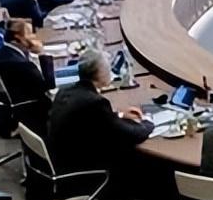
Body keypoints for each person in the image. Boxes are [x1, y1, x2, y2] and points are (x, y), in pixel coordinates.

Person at [47, 50, 153, 183]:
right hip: (81, 170)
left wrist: (120, 115)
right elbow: (130, 134)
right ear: (99, 73)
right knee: (139, 159)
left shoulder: (66, 90)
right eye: (108, 68)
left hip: (61, 159)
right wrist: (148, 122)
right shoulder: (94, 102)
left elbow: (96, 120)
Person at [0, 19, 52, 136]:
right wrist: (43, 54)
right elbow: (48, 87)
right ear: (18, 38)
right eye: (30, 33)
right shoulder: (22, 65)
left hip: (1, 115)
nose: (34, 37)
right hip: (29, 116)